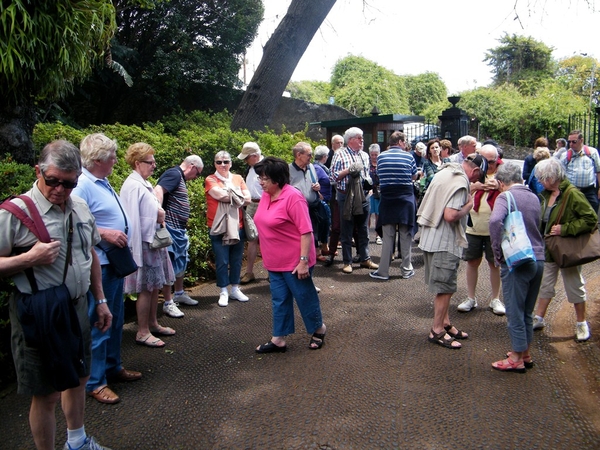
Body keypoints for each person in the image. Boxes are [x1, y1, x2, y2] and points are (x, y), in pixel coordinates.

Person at [0, 140, 112, 450]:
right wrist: (28, 259)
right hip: (38, 310)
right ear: (38, 171)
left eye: (69, 183)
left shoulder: (79, 206)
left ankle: (77, 442)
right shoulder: (15, 212)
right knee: (47, 391)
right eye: (53, 181)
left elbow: (88, 253)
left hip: (76, 305)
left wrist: (100, 300)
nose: (61, 189)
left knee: (78, 376)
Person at [73, 134, 141, 405]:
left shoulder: (100, 180)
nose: (116, 159)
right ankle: (95, 381)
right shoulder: (82, 184)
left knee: (114, 318)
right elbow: (75, 223)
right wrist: (104, 234)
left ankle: (112, 368)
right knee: (100, 321)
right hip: (100, 264)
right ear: (98, 159)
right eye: (112, 156)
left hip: (112, 262)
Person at [252, 157, 327, 353]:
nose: (261, 182)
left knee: (304, 296)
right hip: (274, 261)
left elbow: (306, 231)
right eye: (260, 177)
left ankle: (319, 328)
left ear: (277, 179)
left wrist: (303, 262)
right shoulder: (267, 195)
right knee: (279, 299)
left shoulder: (293, 197)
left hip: (295, 260)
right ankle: (278, 338)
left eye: (264, 178)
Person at [417, 153, 488, 349]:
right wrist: (469, 205)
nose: (475, 181)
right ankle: (437, 329)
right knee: (445, 288)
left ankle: (445, 322)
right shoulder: (461, 182)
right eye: (477, 176)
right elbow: (450, 215)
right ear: (475, 170)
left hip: (430, 236)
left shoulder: (446, 171)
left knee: (442, 285)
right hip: (444, 241)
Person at [532, 158, 598, 342]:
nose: (540, 181)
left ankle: (581, 323)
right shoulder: (545, 194)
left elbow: (590, 219)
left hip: (566, 249)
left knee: (574, 284)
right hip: (549, 248)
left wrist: (566, 228)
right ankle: (539, 317)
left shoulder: (572, 194)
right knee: (545, 284)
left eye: (542, 178)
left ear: (552, 177)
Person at [488, 162, 545, 372]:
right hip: (538, 258)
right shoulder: (533, 196)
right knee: (527, 311)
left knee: (514, 311)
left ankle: (516, 357)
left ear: (501, 182)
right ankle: (525, 352)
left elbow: (495, 221)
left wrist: (497, 252)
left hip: (517, 259)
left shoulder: (505, 197)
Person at [120, 143, 175, 348]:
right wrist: (159, 214)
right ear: (137, 163)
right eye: (149, 162)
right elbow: (132, 216)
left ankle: (152, 323)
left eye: (154, 161)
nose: (154, 166)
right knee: (145, 287)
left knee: (153, 287)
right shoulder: (133, 185)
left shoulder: (143, 183)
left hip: (152, 241)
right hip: (143, 243)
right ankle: (142, 331)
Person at [457, 145, 506, 315]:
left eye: (492, 161)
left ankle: (495, 298)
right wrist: (477, 187)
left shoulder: (503, 172)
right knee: (472, 262)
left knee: (495, 263)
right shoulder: (471, 172)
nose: (489, 164)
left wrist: (499, 188)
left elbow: (514, 192)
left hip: (495, 228)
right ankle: (470, 297)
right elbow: (460, 192)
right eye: (486, 161)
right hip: (473, 226)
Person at [154, 155, 204, 317]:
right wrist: (159, 213)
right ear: (193, 166)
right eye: (197, 174)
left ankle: (179, 293)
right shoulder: (174, 174)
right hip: (170, 228)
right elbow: (158, 190)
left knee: (181, 260)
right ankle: (168, 302)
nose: (196, 178)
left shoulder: (179, 177)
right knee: (170, 262)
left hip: (179, 230)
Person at [205, 151, 251, 307]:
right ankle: (223, 290)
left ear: (231, 163)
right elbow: (219, 196)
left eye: (226, 161)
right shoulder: (210, 179)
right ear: (214, 164)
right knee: (222, 260)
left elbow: (248, 198)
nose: (223, 165)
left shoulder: (238, 178)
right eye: (219, 162)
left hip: (237, 225)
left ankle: (235, 289)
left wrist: (231, 193)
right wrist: (237, 195)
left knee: (236, 260)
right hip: (218, 226)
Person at [330, 127, 378, 274]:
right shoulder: (339, 154)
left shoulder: (364, 155)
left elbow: (366, 174)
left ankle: (365, 258)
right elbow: (332, 178)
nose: (362, 140)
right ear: (350, 140)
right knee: (347, 229)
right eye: (359, 137)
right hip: (345, 196)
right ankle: (347, 261)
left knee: (363, 229)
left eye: (362, 137)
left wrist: (369, 186)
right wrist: (349, 170)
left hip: (363, 196)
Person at [369, 132, 417, 281]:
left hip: (388, 198)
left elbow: (378, 174)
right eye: (405, 142)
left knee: (388, 236)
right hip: (405, 199)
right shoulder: (409, 157)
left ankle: (383, 271)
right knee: (406, 234)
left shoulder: (381, 157)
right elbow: (414, 176)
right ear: (401, 142)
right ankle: (406, 269)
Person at [288, 142, 322, 252]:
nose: (311, 157)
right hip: (297, 210)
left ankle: (312, 255)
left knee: (313, 234)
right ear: (299, 155)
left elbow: (315, 181)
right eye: (309, 154)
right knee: (301, 235)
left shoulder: (311, 167)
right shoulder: (288, 170)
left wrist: (317, 186)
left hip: (312, 208)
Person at [237, 142, 263, 284]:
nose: (245, 161)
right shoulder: (251, 168)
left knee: (267, 238)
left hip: (265, 203)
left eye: (247, 158)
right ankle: (249, 272)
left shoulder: (267, 167)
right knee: (252, 238)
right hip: (251, 204)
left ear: (254, 156)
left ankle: (272, 272)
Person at [558, 129, 600, 212]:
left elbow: (598, 171)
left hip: (589, 190)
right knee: (573, 213)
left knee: (593, 210)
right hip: (572, 190)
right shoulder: (565, 155)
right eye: (569, 142)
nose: (571, 144)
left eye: (574, 141)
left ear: (581, 140)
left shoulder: (592, 152)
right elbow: (560, 175)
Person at [324, 135, 345, 266]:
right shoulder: (329, 156)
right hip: (333, 194)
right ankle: (331, 252)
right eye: (338, 142)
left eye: (342, 142)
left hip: (345, 194)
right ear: (333, 144)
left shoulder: (345, 155)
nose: (341, 145)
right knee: (335, 224)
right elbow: (329, 177)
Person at [313, 145, 332, 259]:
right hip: (319, 202)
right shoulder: (317, 168)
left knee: (325, 223)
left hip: (324, 201)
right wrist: (319, 195)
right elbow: (313, 183)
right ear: (324, 157)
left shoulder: (321, 167)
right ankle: (317, 251)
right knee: (321, 224)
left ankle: (324, 247)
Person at [367, 143, 382, 245]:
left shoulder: (382, 163)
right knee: (367, 215)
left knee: (378, 215)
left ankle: (378, 236)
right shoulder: (367, 164)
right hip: (369, 191)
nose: (374, 157)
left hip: (379, 192)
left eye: (376, 154)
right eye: (372, 154)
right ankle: (366, 235)